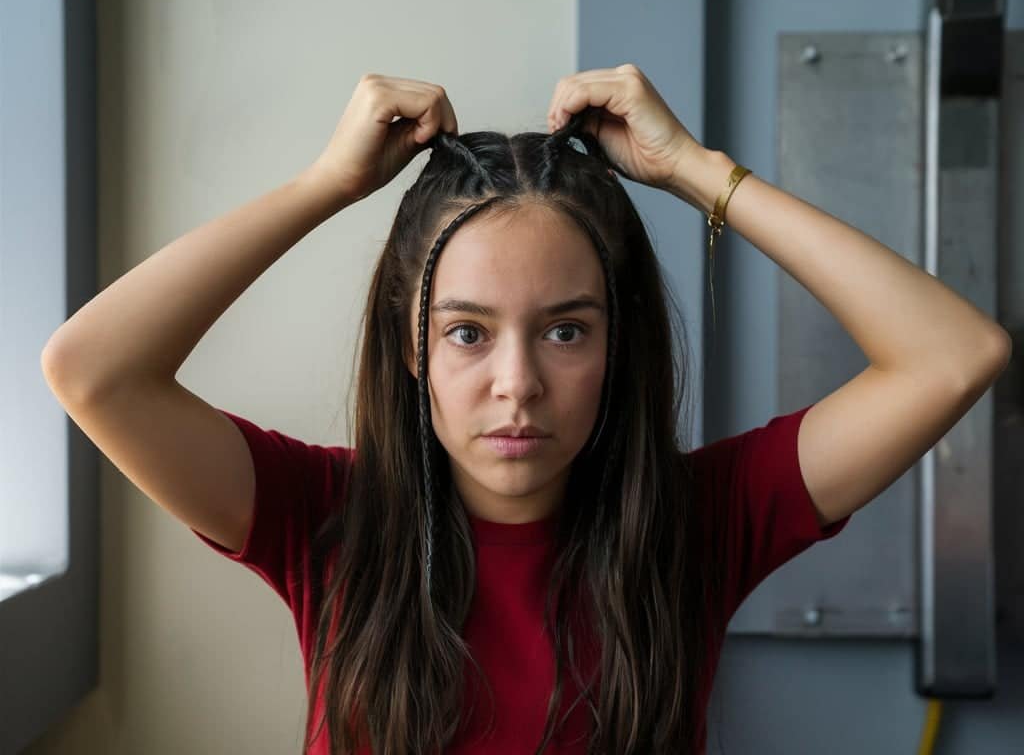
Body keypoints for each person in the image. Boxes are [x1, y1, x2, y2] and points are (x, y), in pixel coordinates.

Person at [41, 65, 1011, 755]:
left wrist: (695, 171)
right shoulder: (326, 518)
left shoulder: (697, 520)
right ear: (411, 344)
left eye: (564, 330)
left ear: (616, 342)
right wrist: (325, 185)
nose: (517, 383)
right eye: (466, 331)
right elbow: (93, 370)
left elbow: (956, 354)